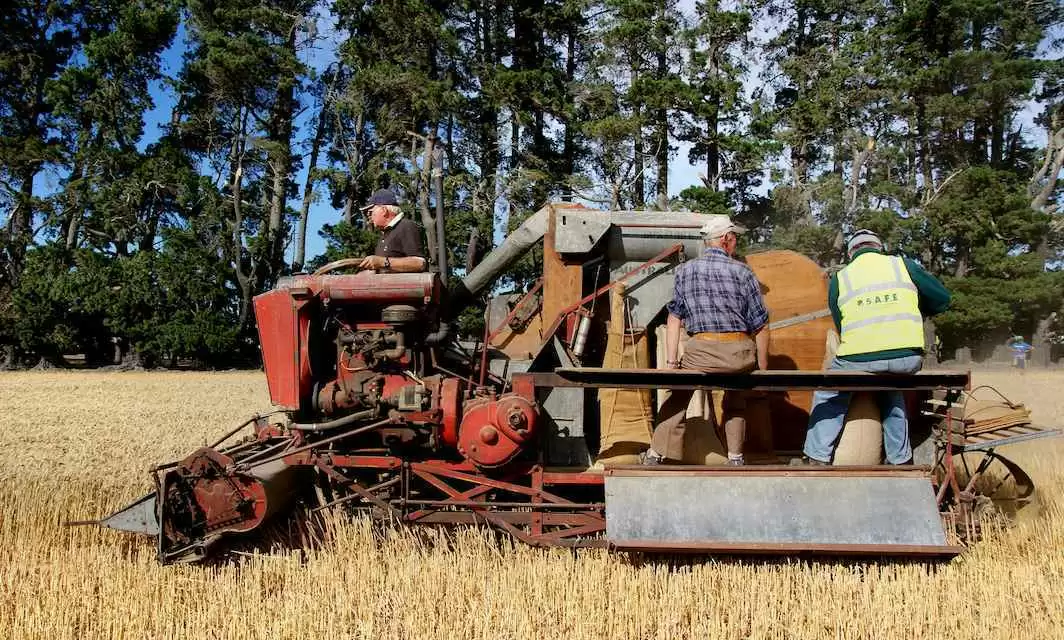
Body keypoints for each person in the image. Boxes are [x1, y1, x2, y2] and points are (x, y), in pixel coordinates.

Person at [802, 229, 951, 466]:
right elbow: (943, 299)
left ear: (851, 253)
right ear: (880, 248)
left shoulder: (842, 277)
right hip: (907, 359)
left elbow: (842, 325)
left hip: (858, 359)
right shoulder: (903, 266)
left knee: (829, 392)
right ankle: (900, 459)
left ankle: (817, 455)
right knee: (891, 391)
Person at [642, 217, 770, 466]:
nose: (736, 243)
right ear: (725, 239)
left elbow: (674, 318)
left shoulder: (684, 271)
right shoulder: (743, 272)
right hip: (738, 356)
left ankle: (656, 454)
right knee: (736, 399)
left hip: (700, 354)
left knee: (678, 397)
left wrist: (671, 363)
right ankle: (735, 458)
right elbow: (761, 325)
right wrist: (763, 369)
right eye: (735, 238)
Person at [357, 189, 427, 273]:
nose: (369, 216)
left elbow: (419, 263)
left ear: (384, 210)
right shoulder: (385, 235)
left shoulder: (406, 226)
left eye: (370, 212)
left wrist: (382, 262)